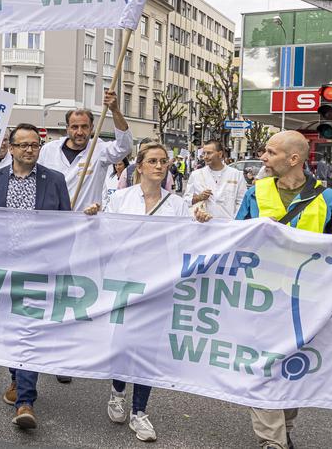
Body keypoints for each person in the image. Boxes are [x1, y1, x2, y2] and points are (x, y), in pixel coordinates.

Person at [236, 130, 332, 449]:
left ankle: (284, 426)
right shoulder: (255, 193)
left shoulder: (329, 199)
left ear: (293, 159)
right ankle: (272, 441)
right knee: (262, 368)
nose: (264, 158)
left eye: (270, 152)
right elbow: (236, 237)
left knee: (293, 370)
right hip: (261, 299)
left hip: (307, 304)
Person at [82, 143, 209, 442]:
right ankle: (117, 392)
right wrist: (93, 216)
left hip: (158, 282)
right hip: (124, 280)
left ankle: (140, 412)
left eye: (163, 161)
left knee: (148, 346)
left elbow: (186, 241)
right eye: (152, 161)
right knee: (123, 340)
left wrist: (201, 224)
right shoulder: (120, 198)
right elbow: (104, 235)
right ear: (138, 166)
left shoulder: (177, 204)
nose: (159, 166)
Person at [0, 123, 71, 430]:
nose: (30, 149)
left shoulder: (54, 180)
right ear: (12, 149)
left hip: (38, 270)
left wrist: (60, 264)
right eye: (24, 145)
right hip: (2, 268)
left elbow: (66, 226)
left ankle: (25, 401)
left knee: (28, 331)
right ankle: (16, 378)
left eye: (35, 145)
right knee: (9, 330)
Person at [37, 90, 132, 211]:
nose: (80, 132)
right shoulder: (49, 150)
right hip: (55, 222)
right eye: (74, 127)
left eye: (84, 127)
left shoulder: (99, 150)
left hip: (87, 222)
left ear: (92, 128)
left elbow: (125, 146)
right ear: (67, 128)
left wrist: (115, 110)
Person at [184, 140, 247, 221]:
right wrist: (198, 198)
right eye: (204, 153)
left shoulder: (236, 175)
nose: (205, 157)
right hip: (203, 224)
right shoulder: (196, 175)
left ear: (220, 154)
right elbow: (185, 201)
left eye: (209, 153)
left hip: (229, 226)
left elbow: (242, 202)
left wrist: (234, 221)